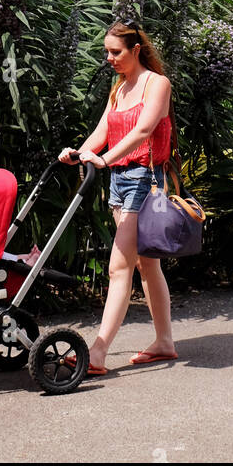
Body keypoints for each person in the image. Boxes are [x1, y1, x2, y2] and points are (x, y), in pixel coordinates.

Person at [58, 20, 177, 374]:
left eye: (116, 52)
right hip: (121, 180)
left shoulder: (157, 85)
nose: (109, 58)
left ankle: (96, 352)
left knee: (118, 267)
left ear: (135, 50)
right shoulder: (119, 89)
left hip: (146, 179)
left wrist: (105, 158)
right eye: (106, 52)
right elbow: (104, 130)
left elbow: (144, 130)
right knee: (146, 263)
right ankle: (165, 342)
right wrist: (79, 153)